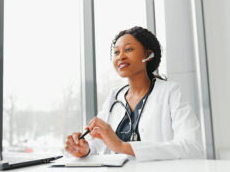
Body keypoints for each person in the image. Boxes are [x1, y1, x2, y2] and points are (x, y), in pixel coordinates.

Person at [64, 26, 204, 161]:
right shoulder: (115, 96)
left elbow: (193, 147)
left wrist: (123, 147)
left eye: (128, 49)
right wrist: (84, 148)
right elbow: (96, 143)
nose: (121, 57)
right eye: (116, 52)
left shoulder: (170, 92)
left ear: (148, 55)